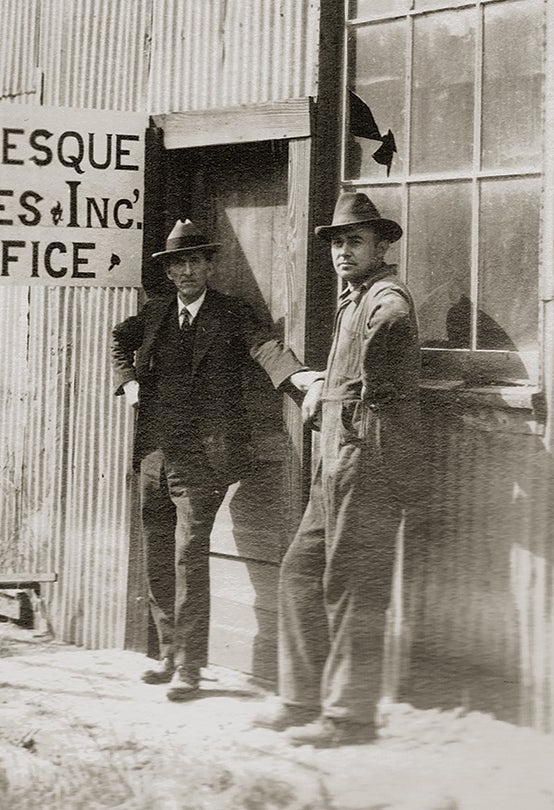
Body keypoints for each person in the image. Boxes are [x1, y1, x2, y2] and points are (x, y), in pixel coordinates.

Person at [111, 219, 318, 701]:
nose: (185, 271)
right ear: (167, 272)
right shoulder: (156, 312)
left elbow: (266, 348)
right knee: (159, 550)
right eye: (176, 263)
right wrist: (128, 381)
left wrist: (299, 377)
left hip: (203, 459)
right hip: (155, 454)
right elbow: (120, 338)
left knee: (188, 554)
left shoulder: (232, 313)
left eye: (193, 261)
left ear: (209, 265)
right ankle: (167, 653)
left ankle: (191, 666)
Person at [253, 192, 421, 746]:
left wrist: (357, 393)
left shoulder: (385, 296)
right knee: (301, 573)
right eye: (339, 243)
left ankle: (349, 717)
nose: (344, 251)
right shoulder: (352, 299)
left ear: (380, 246)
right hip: (336, 460)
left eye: (356, 241)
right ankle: (301, 698)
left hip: (368, 458)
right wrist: (324, 385)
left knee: (353, 585)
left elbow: (394, 324)